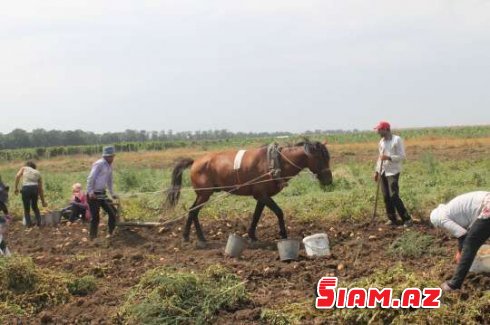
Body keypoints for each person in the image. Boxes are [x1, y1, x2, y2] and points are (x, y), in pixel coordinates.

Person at [430, 191, 490, 292]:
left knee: (470, 243)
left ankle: (454, 284)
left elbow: (463, 235)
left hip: (487, 207)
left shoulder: (440, 218)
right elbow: (466, 232)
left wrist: (460, 252)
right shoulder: (450, 210)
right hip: (486, 203)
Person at [373, 121, 412, 227]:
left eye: (380, 130)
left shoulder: (397, 140)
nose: (378, 132)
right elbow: (380, 158)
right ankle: (392, 219)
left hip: (393, 171)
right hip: (383, 171)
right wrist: (376, 171)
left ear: (386, 129)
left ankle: (407, 219)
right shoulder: (381, 142)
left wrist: (389, 158)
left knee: (394, 195)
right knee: (386, 196)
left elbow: (402, 156)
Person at [87, 146, 118, 239]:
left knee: (113, 212)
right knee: (95, 217)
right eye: (110, 156)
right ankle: (93, 238)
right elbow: (91, 178)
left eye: (113, 156)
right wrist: (90, 192)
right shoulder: (99, 164)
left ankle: (110, 233)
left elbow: (109, 181)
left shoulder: (109, 166)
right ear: (105, 156)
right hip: (94, 195)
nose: (112, 158)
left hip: (102, 193)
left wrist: (112, 193)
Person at [14, 161, 47, 227]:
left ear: (27, 165)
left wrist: (16, 188)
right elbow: (40, 189)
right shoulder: (37, 172)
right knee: (35, 207)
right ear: (33, 167)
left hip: (26, 189)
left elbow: (17, 176)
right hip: (35, 189)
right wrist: (43, 201)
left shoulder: (24, 168)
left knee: (26, 208)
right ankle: (39, 223)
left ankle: (28, 225)